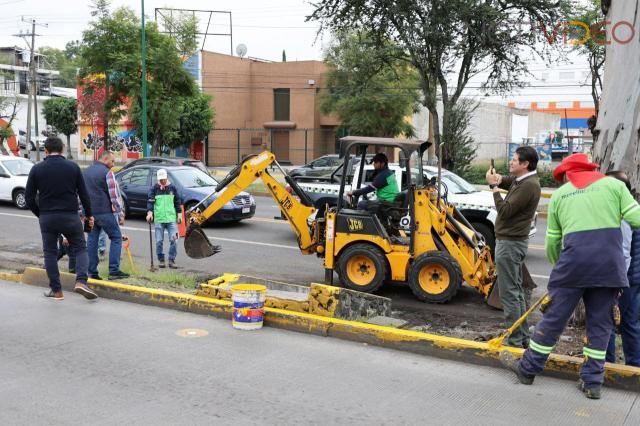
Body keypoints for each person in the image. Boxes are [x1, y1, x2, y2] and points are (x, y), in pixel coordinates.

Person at [501, 153, 640, 400]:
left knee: (554, 319)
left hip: (572, 267)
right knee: (600, 325)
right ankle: (592, 383)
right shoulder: (615, 186)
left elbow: (552, 243)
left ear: (567, 174)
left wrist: (561, 269)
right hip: (609, 269)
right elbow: (636, 219)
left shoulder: (560, 196)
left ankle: (528, 369)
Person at [24, 136, 97, 300]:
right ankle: (81, 282)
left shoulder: (37, 169)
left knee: (50, 253)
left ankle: (56, 291)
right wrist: (89, 215)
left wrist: (40, 213)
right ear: (62, 149)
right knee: (80, 248)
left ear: (46, 151)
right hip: (70, 216)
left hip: (48, 217)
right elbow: (84, 195)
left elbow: (29, 198)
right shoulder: (73, 167)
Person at [486, 146, 541, 348]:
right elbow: (511, 183)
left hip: (510, 243)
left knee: (509, 293)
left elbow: (505, 210)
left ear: (525, 164)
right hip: (511, 242)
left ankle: (515, 340)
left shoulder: (529, 186)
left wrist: (493, 188)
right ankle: (522, 336)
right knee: (515, 292)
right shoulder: (524, 181)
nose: (511, 162)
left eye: (515, 160)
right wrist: (498, 180)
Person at [605, 171, 640, 367]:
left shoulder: (623, 213)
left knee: (607, 322)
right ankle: (635, 367)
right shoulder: (633, 209)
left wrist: (617, 282)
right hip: (633, 279)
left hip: (623, 278)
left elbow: (624, 252)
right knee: (630, 323)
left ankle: (608, 365)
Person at [84, 150, 129, 280]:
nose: (113, 164)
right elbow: (114, 196)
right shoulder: (108, 173)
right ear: (105, 159)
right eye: (112, 161)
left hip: (89, 213)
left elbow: (80, 194)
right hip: (104, 211)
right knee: (116, 237)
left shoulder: (85, 172)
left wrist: (83, 212)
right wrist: (120, 213)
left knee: (92, 240)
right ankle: (114, 270)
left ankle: (91, 271)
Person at [146, 169, 182, 268]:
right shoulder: (154, 189)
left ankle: (171, 259)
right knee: (159, 241)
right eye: (160, 179)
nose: (162, 181)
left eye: (164, 179)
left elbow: (177, 202)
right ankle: (161, 260)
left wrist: (179, 215)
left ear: (167, 177)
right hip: (159, 219)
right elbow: (150, 202)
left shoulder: (173, 188)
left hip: (171, 219)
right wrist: (150, 213)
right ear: (158, 179)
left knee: (174, 239)